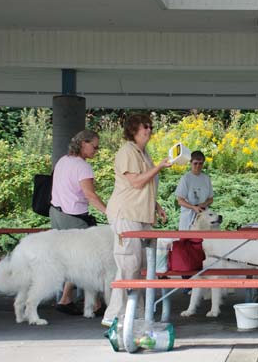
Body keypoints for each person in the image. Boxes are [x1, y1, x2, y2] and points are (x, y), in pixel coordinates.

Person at [101, 114, 172, 327]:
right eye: (145, 127)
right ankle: (114, 316)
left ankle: (137, 314)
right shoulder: (127, 151)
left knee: (141, 266)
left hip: (141, 215)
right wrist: (159, 167)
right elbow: (136, 183)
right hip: (126, 215)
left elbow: (147, 186)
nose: (149, 130)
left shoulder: (143, 153)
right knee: (128, 265)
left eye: (151, 126)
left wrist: (156, 205)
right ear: (133, 129)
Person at [50, 129, 107, 316]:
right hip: (74, 217)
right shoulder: (83, 166)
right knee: (91, 259)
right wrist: (110, 212)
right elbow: (90, 195)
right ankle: (94, 303)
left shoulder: (62, 161)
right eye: (94, 146)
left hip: (56, 214)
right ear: (83, 143)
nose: (96, 151)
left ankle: (67, 298)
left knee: (73, 259)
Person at [175, 150, 214, 230]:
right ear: (191, 163)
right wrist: (193, 207)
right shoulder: (186, 179)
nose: (198, 166)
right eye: (195, 163)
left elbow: (211, 199)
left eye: (200, 163)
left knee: (202, 241)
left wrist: (204, 204)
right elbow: (180, 200)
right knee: (186, 241)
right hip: (188, 217)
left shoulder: (206, 179)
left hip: (202, 217)